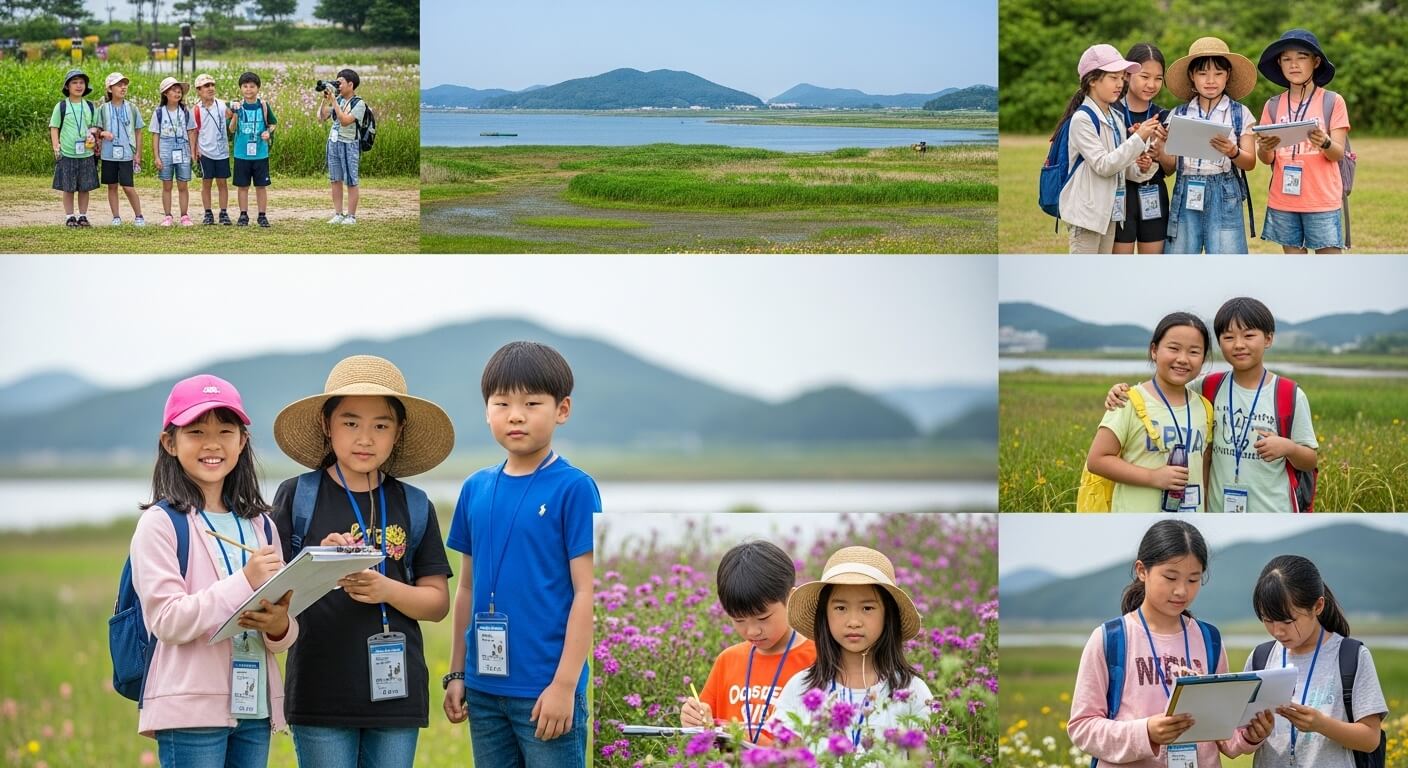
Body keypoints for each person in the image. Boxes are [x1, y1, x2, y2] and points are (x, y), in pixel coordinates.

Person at [271, 355, 455, 768]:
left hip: (397, 695)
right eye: (351, 423)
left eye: (381, 425)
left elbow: (438, 602)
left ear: (398, 431)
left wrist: (384, 589)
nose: (365, 438)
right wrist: (320, 562)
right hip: (319, 693)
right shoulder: (298, 497)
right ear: (326, 425)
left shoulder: (414, 504)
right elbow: (268, 594)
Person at [442, 341, 598, 768]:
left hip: (545, 690)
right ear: (486, 410)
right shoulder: (475, 487)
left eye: (531, 403)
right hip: (485, 691)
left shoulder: (574, 488)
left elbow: (587, 593)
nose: (515, 414)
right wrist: (457, 673)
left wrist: (565, 685)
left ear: (561, 409)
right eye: (502, 402)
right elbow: (467, 587)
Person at [130, 374, 297, 767]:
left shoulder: (261, 525)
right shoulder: (160, 524)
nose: (212, 443)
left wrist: (278, 623)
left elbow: (283, 633)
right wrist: (246, 581)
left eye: (226, 429)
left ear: (242, 441)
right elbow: (167, 620)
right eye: (195, 431)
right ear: (169, 443)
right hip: (189, 711)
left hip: (255, 708)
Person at [1068, 520, 1272, 767]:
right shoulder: (1110, 638)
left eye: (1193, 580)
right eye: (1170, 577)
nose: (1181, 591)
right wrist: (1146, 732)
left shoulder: (1209, 639)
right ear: (1142, 571)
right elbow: (1082, 727)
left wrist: (1250, 736)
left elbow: (1223, 730)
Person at [1103, 297, 1318, 512]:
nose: (1239, 344)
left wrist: (1288, 448)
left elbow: (1310, 460)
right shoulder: (1207, 387)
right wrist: (1122, 391)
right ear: (1219, 342)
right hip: (1217, 511)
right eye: (1228, 337)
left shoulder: (1289, 394)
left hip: (1273, 511)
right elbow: (1167, 387)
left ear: (1268, 339)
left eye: (1249, 335)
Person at [772, 546, 933, 753]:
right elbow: (783, 759)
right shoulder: (801, 689)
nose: (854, 621)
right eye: (840, 608)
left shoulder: (912, 692)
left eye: (867, 608)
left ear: (888, 614)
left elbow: (925, 759)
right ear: (825, 614)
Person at [1246, 555, 1388, 767]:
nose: (1277, 631)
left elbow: (1370, 739)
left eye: (1287, 620)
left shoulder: (1351, 656)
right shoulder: (1260, 658)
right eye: (1268, 620)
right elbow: (1241, 735)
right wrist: (1254, 734)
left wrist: (1321, 724)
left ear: (1318, 606)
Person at [680, 540, 817, 744]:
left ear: (791, 599)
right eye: (739, 620)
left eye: (763, 618)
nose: (752, 631)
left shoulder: (817, 658)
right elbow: (705, 727)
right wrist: (693, 719)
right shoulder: (728, 660)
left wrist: (754, 744)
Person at [1086, 312, 1214, 512]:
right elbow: (1097, 460)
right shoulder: (1127, 400)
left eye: (1194, 352)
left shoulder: (1205, 408)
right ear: (1154, 351)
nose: (1182, 359)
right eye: (1173, 348)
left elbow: (1204, 465)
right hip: (1134, 519)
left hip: (1188, 520)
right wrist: (1153, 477)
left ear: (1203, 358)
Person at [1055, 44, 1162, 253]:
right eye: (1114, 78)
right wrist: (1139, 137)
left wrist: (1142, 166)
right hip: (1087, 216)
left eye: (1122, 78)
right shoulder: (1082, 119)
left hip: (1109, 214)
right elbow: (1104, 165)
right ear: (1093, 80)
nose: (1120, 84)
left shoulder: (1115, 117)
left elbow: (1122, 168)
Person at [1255, 30, 1352, 253]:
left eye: (1301, 57)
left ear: (1316, 62)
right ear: (1279, 63)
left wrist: (1325, 143)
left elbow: (1337, 154)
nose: (1294, 65)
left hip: (1322, 200)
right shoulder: (1272, 105)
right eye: (1286, 59)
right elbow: (1266, 158)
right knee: (1294, 271)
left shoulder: (1332, 102)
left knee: (1328, 269)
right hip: (1284, 201)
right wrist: (1264, 148)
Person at [1161, 37, 1259, 253]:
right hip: (1186, 190)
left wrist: (1233, 151)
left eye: (1218, 73)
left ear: (1228, 76)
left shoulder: (1240, 114)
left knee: (1227, 264)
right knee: (1181, 262)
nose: (1210, 80)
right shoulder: (1178, 115)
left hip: (1225, 193)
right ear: (1191, 76)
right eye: (1203, 73)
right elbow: (1169, 168)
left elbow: (1250, 162)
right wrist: (1161, 144)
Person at [1113, 43, 1173, 254]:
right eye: (1145, 76)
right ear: (1127, 75)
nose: (1151, 84)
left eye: (1158, 78)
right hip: (1119, 196)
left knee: (1152, 268)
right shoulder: (1111, 112)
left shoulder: (1164, 117)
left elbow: (1171, 167)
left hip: (1154, 194)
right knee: (1119, 269)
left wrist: (1160, 153)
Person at [49, 68, 100, 227]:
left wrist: (95, 132)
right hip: (68, 153)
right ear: (67, 87)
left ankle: (83, 216)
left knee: (85, 188)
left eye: (81, 83)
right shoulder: (61, 106)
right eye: (74, 82)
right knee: (68, 187)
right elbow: (54, 127)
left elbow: (95, 127)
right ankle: (70, 216)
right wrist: (56, 146)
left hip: (86, 153)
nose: (79, 86)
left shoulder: (90, 106)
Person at [95, 72, 145, 226]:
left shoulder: (132, 108)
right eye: (119, 84)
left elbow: (138, 131)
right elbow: (95, 130)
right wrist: (103, 133)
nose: (123, 87)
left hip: (126, 154)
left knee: (128, 186)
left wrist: (138, 154)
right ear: (110, 89)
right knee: (112, 186)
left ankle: (139, 216)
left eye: (124, 84)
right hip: (108, 154)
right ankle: (116, 217)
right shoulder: (103, 109)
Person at [318, 68, 367, 225]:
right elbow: (321, 117)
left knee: (351, 180)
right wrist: (326, 99)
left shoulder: (359, 103)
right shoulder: (338, 100)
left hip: (349, 144)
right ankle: (338, 214)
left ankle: (351, 216)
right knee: (335, 179)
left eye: (340, 83)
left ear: (351, 84)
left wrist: (333, 101)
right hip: (333, 142)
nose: (337, 86)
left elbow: (345, 121)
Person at [229, 72, 276, 227]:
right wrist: (235, 115)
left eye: (252, 86)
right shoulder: (237, 106)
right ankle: (243, 215)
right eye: (245, 86)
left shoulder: (263, 105)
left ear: (258, 88)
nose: (248, 89)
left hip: (260, 153)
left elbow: (272, 123)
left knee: (261, 186)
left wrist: (268, 132)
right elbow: (231, 129)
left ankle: (262, 215)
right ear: (241, 88)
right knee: (242, 186)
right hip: (241, 153)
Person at [150, 77, 197, 226]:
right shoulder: (159, 112)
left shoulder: (185, 111)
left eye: (179, 91)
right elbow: (155, 135)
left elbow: (191, 132)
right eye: (173, 91)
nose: (177, 94)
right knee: (167, 185)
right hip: (165, 149)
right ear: (165, 93)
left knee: (183, 184)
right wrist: (157, 156)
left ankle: (184, 215)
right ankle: (167, 216)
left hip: (182, 148)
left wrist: (192, 152)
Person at [192, 73, 234, 226]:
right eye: (206, 86)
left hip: (222, 151)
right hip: (205, 152)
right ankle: (208, 213)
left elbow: (231, 119)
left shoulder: (222, 104)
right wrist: (193, 150)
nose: (210, 88)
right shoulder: (196, 109)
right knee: (206, 182)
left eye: (212, 85)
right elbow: (194, 131)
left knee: (222, 182)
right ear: (198, 90)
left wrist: (234, 112)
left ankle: (223, 213)